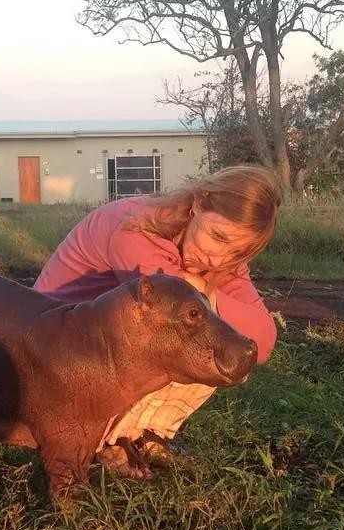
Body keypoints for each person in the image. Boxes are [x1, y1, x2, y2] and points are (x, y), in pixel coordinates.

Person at [33, 164, 281, 476]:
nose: (218, 259)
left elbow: (262, 341)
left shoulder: (219, 256)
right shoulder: (133, 229)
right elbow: (169, 315)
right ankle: (98, 437)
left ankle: (136, 433)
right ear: (199, 202)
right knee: (188, 337)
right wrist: (205, 291)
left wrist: (206, 289)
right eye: (217, 236)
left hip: (94, 349)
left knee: (225, 348)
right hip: (47, 358)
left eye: (237, 253)